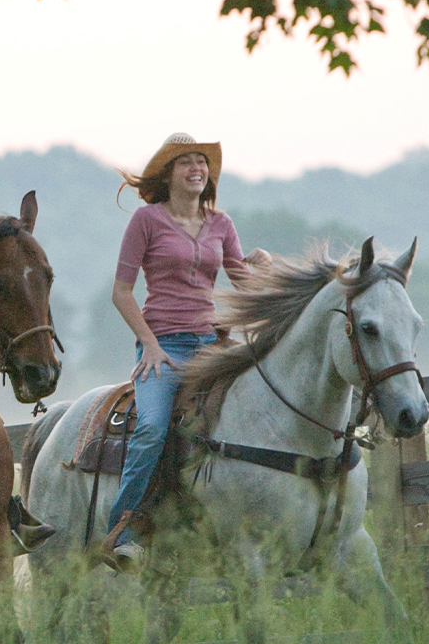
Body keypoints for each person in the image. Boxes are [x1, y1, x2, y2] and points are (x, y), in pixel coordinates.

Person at [105, 132, 270, 570]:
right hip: (164, 344)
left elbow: (243, 287)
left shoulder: (222, 225)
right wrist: (151, 345)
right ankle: (124, 530)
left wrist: (266, 271)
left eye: (202, 162)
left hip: (213, 343)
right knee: (153, 428)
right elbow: (121, 292)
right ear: (168, 173)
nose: (197, 168)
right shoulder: (146, 220)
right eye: (186, 162)